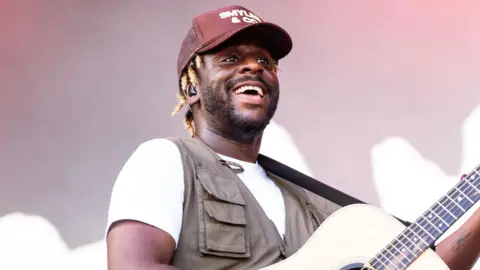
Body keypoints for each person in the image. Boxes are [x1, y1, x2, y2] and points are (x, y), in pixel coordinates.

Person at [106, 4, 480, 270]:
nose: (255, 65)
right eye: (232, 59)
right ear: (192, 90)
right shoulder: (165, 161)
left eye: (266, 62)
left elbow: (421, 265)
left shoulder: (318, 209)